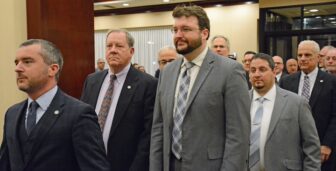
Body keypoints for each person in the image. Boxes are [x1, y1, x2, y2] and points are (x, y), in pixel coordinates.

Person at [150, 5, 251, 171]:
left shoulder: (230, 71)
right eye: (175, 30)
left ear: (204, 33)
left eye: (186, 29)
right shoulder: (167, 72)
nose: (178, 35)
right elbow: (158, 128)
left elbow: (238, 136)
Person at [0, 39, 110, 171]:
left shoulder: (79, 115)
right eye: (16, 62)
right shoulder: (12, 114)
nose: (17, 68)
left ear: (52, 69)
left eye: (27, 62)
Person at [81, 29, 157, 171]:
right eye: (109, 46)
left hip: (125, 165)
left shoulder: (147, 84)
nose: (113, 50)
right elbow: (82, 122)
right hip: (90, 162)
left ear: (131, 51)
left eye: (119, 46)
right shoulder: (92, 80)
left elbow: (148, 135)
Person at [248, 53, 320, 171]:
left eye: (262, 69)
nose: (257, 74)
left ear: (274, 72)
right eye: (253, 70)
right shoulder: (239, 102)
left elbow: (311, 146)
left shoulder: (297, 103)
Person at [279, 40, 336, 171]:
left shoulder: (331, 82)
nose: (303, 59)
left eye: (307, 55)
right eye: (300, 55)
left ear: (318, 57)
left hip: (321, 146)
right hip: (291, 147)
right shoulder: (286, 81)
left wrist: (328, 144)